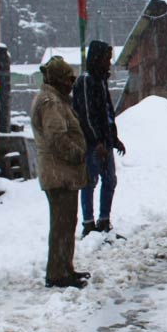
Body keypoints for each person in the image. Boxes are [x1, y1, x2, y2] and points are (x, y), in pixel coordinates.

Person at [31, 56, 89, 289]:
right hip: (59, 172)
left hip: (62, 173)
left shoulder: (56, 99)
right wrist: (77, 153)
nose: (71, 83)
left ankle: (65, 267)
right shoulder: (50, 102)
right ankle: (57, 273)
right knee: (61, 224)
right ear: (57, 79)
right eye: (68, 79)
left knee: (67, 222)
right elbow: (57, 137)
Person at [73, 40, 126, 237]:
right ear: (97, 59)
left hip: (105, 142)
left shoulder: (101, 80)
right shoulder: (86, 81)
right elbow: (87, 115)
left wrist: (114, 138)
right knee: (90, 181)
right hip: (92, 144)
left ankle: (104, 220)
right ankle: (88, 223)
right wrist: (96, 142)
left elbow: (107, 113)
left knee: (110, 180)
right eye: (106, 59)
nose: (109, 63)